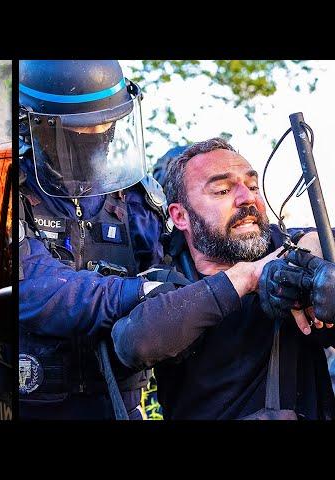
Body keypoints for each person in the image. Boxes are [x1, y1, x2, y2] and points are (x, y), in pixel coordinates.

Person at [112, 137, 335, 419]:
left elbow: (314, 241)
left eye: (253, 186)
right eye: (222, 190)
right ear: (180, 216)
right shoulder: (165, 276)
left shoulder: (291, 253)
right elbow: (135, 343)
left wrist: (319, 255)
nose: (247, 198)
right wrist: (250, 276)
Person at [18, 60, 168, 420]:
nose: (100, 135)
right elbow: (34, 289)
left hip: (120, 402)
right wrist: (133, 292)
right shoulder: (9, 193)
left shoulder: (138, 200)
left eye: (107, 125)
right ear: (34, 128)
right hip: (35, 404)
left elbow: (174, 272)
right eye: (80, 131)